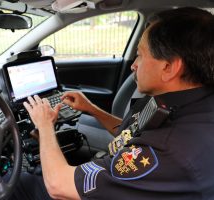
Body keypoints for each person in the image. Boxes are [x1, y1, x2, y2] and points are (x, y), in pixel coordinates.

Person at [15, 7, 214, 200]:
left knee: (21, 183)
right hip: (119, 173)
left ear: (170, 68)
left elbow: (58, 186)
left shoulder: (167, 149)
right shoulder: (176, 101)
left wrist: (45, 126)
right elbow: (129, 133)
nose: (134, 64)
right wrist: (90, 108)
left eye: (140, 54)